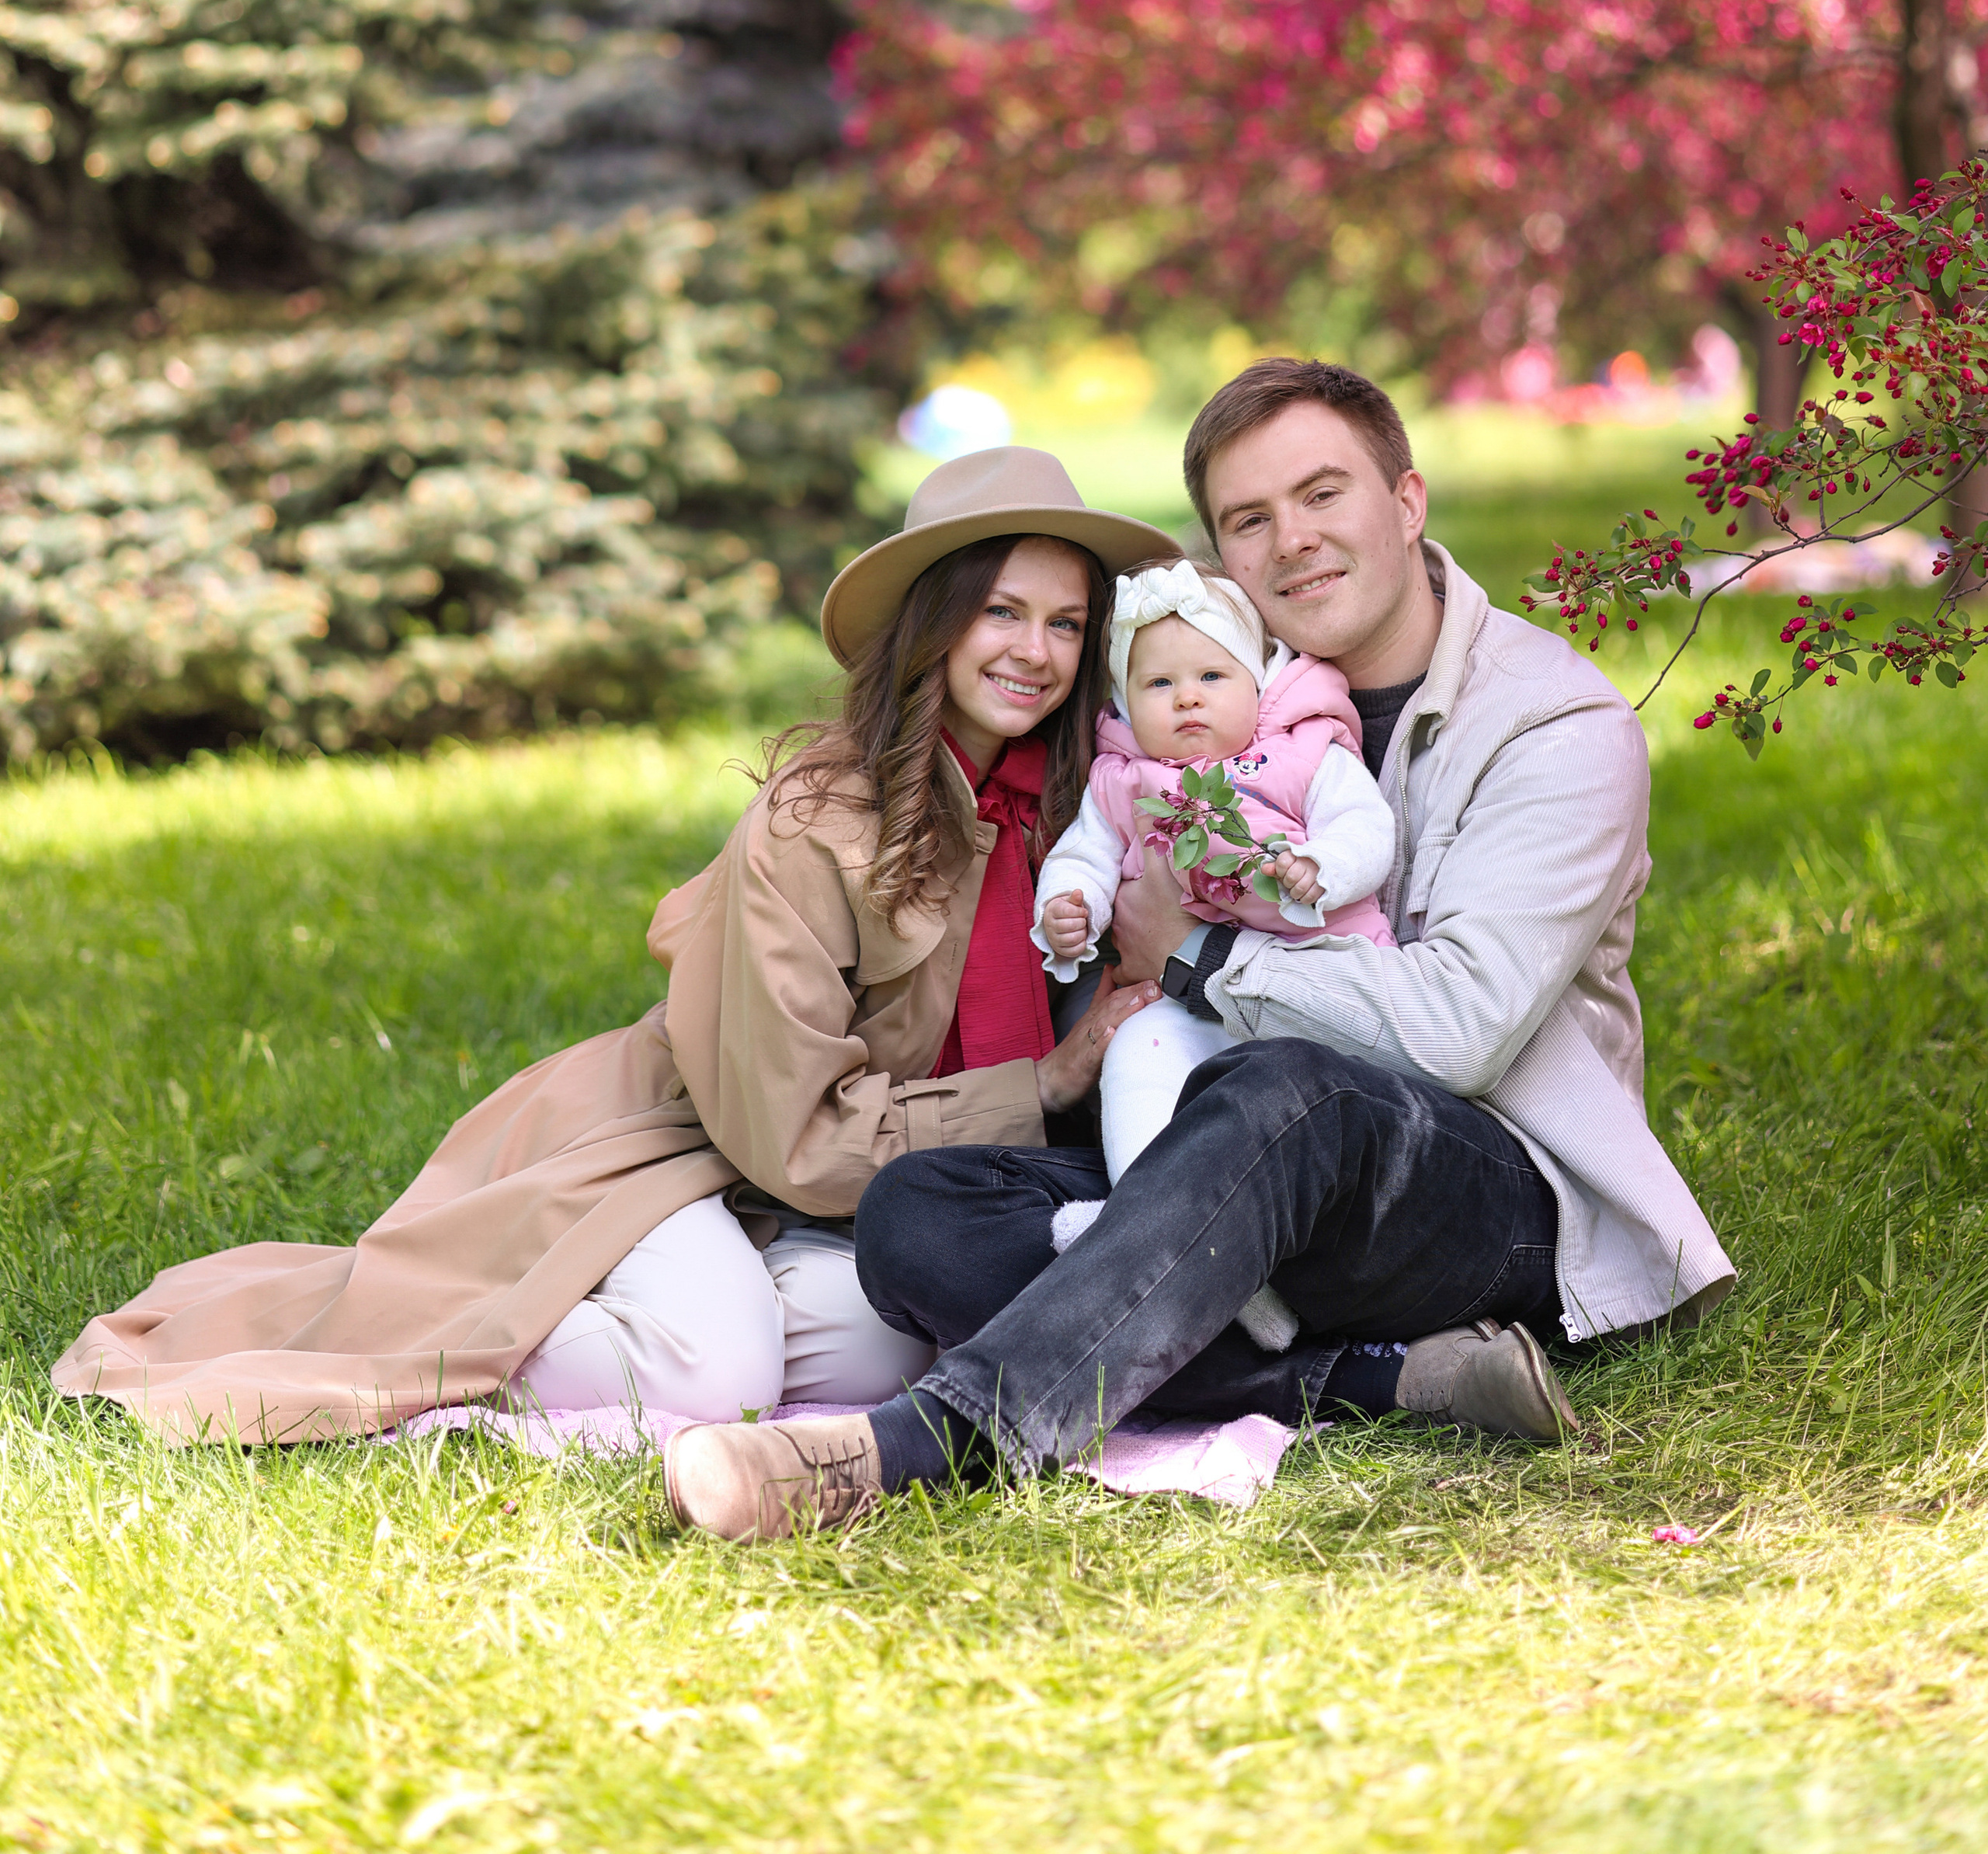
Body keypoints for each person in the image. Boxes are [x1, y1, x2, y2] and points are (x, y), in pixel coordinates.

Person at [660, 357, 1738, 1543]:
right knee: (925, 1209)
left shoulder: (1552, 727)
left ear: (1409, 501)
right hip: (1242, 1162)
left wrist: (1199, 956)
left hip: (1487, 1188)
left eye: (1325, 495)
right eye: (1250, 519)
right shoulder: (1191, 715)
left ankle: (929, 1442)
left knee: (1288, 1089)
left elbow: (1462, 1033)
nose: (1295, 542)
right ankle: (1373, 1382)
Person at [50, 447, 1175, 1442]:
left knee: (889, 1352)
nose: (1036, 649)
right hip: (684, 1148)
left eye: (1066, 622)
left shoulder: (1071, 812)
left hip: (828, 1202)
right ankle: (497, 1325)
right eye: (1000, 613)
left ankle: (667, 1312)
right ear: (934, 624)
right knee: (721, 1378)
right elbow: (793, 1136)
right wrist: (1040, 1086)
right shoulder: (813, 823)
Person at [1030, 557, 1394, 1354]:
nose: (1186, 696)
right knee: (1136, 1062)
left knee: (1282, 1111)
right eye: (1158, 686)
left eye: (1209, 674)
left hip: (1311, 990)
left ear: (1261, 679)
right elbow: (1082, 855)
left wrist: (1321, 869)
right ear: (1127, 704)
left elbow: (1369, 830)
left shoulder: (1302, 754)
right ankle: (1163, 1235)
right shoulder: (1124, 780)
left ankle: (1175, 1250)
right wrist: (1071, 906)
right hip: (1181, 1005)